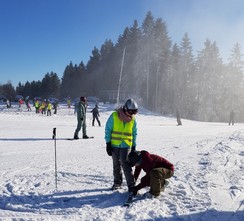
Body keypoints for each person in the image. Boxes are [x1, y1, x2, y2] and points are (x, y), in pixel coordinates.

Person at [105, 98, 138, 192]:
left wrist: (134, 146)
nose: (132, 115)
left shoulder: (132, 120)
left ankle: (131, 186)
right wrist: (108, 143)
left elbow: (134, 133)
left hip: (126, 145)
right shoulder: (114, 116)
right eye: (131, 112)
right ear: (125, 109)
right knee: (116, 165)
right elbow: (108, 130)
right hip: (114, 145)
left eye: (134, 113)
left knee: (125, 165)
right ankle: (117, 183)